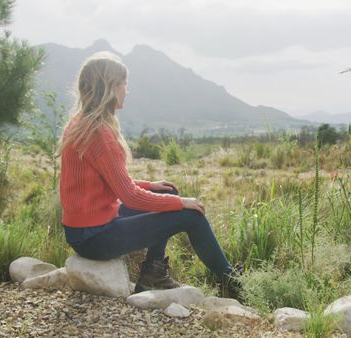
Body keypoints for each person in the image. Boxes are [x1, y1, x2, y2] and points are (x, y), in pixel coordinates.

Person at [58, 51, 239, 297]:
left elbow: (108, 183)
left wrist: (152, 185)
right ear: (109, 87)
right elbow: (131, 197)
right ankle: (232, 282)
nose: (126, 90)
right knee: (192, 216)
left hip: (85, 229)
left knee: (167, 191)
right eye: (123, 84)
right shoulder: (99, 133)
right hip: (95, 237)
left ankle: (153, 273)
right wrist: (181, 203)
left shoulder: (81, 123)